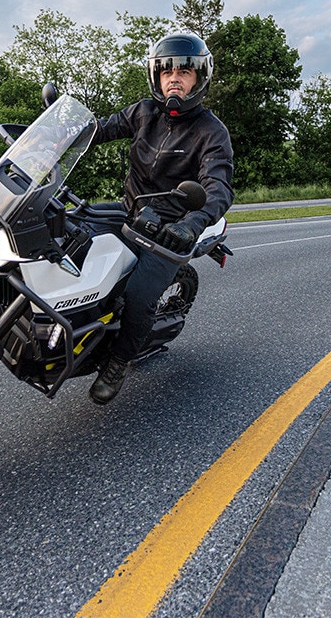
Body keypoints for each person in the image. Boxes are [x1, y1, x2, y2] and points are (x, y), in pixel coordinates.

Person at [86, 32, 234, 405]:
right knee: (69, 226)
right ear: (156, 76)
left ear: (199, 78)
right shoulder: (142, 112)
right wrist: (57, 133)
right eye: (167, 70)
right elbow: (99, 130)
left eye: (185, 71)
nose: (175, 78)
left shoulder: (211, 132)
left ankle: (119, 361)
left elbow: (217, 187)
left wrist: (192, 223)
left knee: (139, 296)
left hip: (171, 229)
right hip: (131, 210)